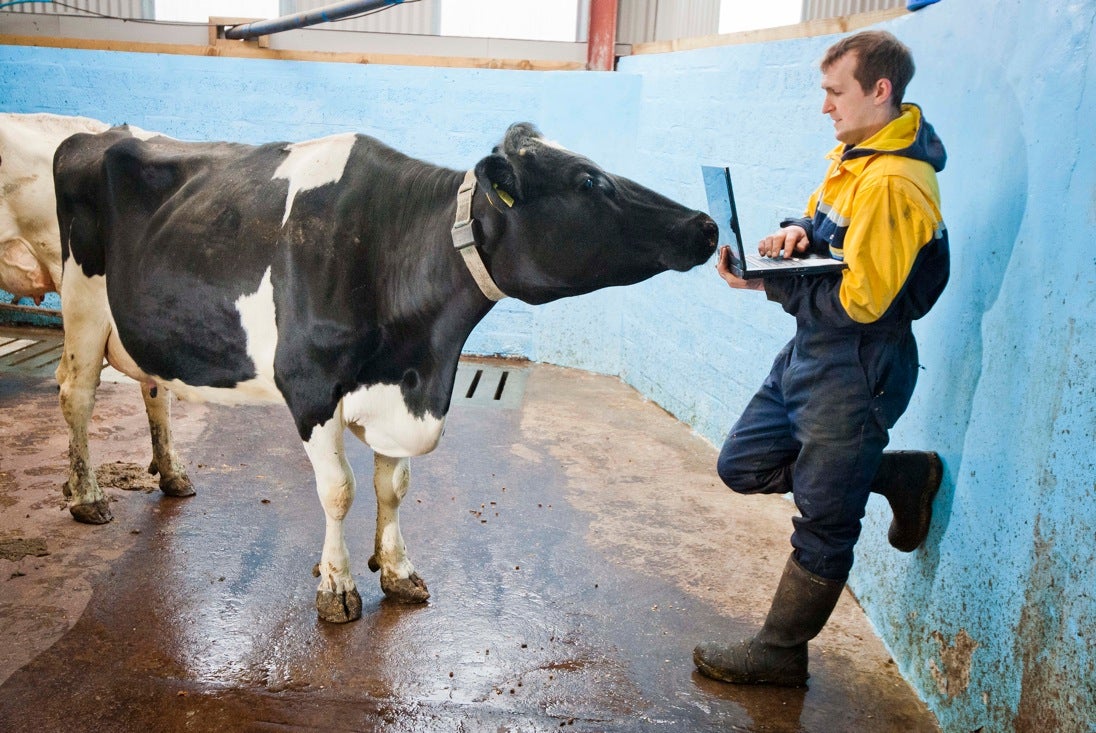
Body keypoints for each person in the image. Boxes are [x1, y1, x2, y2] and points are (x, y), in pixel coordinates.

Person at [694, 30, 949, 687]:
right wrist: (796, 233)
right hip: (814, 348)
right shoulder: (857, 155)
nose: (826, 107)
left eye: (836, 93)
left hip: (860, 362)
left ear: (879, 90)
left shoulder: (895, 181)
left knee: (826, 518)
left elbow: (863, 302)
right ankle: (897, 474)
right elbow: (828, 232)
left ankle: (780, 652)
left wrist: (765, 279)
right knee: (743, 462)